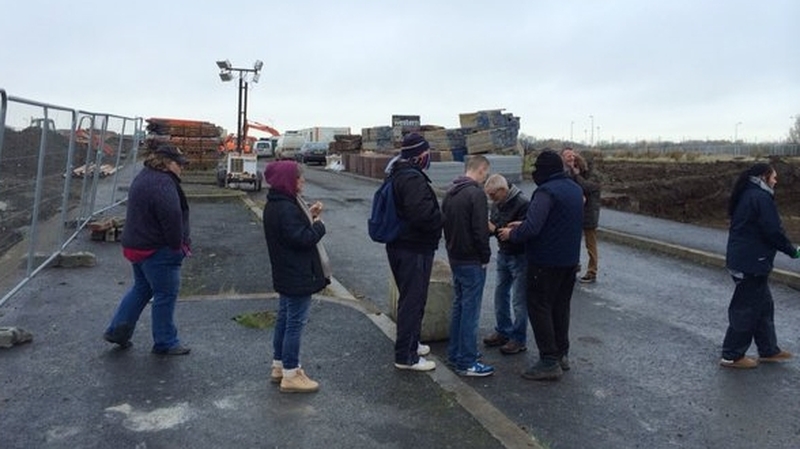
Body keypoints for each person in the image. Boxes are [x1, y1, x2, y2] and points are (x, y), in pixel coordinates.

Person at [499, 149, 583, 381]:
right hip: (569, 261)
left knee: (539, 307)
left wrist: (512, 233)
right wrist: (524, 222)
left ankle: (548, 360)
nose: (534, 173)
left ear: (545, 170)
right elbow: (555, 220)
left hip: (545, 261)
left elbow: (534, 228)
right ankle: (561, 354)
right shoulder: (575, 189)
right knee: (560, 307)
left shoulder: (545, 192)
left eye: (537, 168)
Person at [104, 144, 192, 355]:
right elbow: (172, 218)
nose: (182, 168)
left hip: (137, 245)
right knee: (165, 295)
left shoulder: (145, 176)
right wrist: (177, 247)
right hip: (158, 250)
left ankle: (118, 330)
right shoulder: (163, 184)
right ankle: (165, 342)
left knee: (142, 289)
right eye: (179, 164)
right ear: (168, 163)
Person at [719, 163, 800, 369]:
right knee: (745, 309)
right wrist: (792, 250)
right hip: (750, 263)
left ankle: (768, 350)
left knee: (763, 306)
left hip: (750, 260)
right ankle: (731, 355)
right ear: (763, 177)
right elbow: (772, 230)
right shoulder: (760, 198)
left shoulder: (750, 194)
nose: (776, 181)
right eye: (773, 177)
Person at [262, 160, 331, 392]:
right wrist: (319, 226)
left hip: (285, 271)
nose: (302, 181)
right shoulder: (286, 207)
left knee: (284, 318)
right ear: (289, 181)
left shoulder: (278, 203)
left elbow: (291, 231)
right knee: (294, 323)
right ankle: (291, 373)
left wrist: (308, 216)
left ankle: (280, 365)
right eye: (299, 177)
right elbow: (302, 239)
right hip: (296, 273)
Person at [385, 133, 443, 372]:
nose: (428, 157)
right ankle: (406, 356)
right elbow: (421, 215)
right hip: (413, 247)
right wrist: (441, 219)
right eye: (426, 153)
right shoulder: (411, 178)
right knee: (412, 300)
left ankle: (413, 343)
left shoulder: (397, 173)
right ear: (420, 154)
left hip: (402, 244)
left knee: (412, 298)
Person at [442, 155, 494, 377]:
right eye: (486, 173)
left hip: (455, 256)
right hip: (472, 260)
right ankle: (467, 361)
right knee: (470, 311)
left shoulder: (451, 192)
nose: (486, 178)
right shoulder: (476, 194)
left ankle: (455, 354)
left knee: (460, 307)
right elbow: (480, 231)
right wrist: (485, 256)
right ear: (481, 170)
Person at [482, 174, 530, 355]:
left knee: (519, 300)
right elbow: (497, 225)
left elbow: (523, 232)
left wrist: (494, 229)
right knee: (500, 294)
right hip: (504, 254)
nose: (491, 199)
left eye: (493, 195)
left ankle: (518, 339)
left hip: (520, 256)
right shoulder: (497, 203)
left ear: (503, 191)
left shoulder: (523, 203)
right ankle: (503, 330)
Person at [562, 147, 601, 283]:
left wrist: (576, 174)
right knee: (573, 242)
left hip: (589, 212)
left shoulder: (593, 175)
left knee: (590, 244)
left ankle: (592, 271)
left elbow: (586, 187)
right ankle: (574, 266)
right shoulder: (572, 173)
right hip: (576, 212)